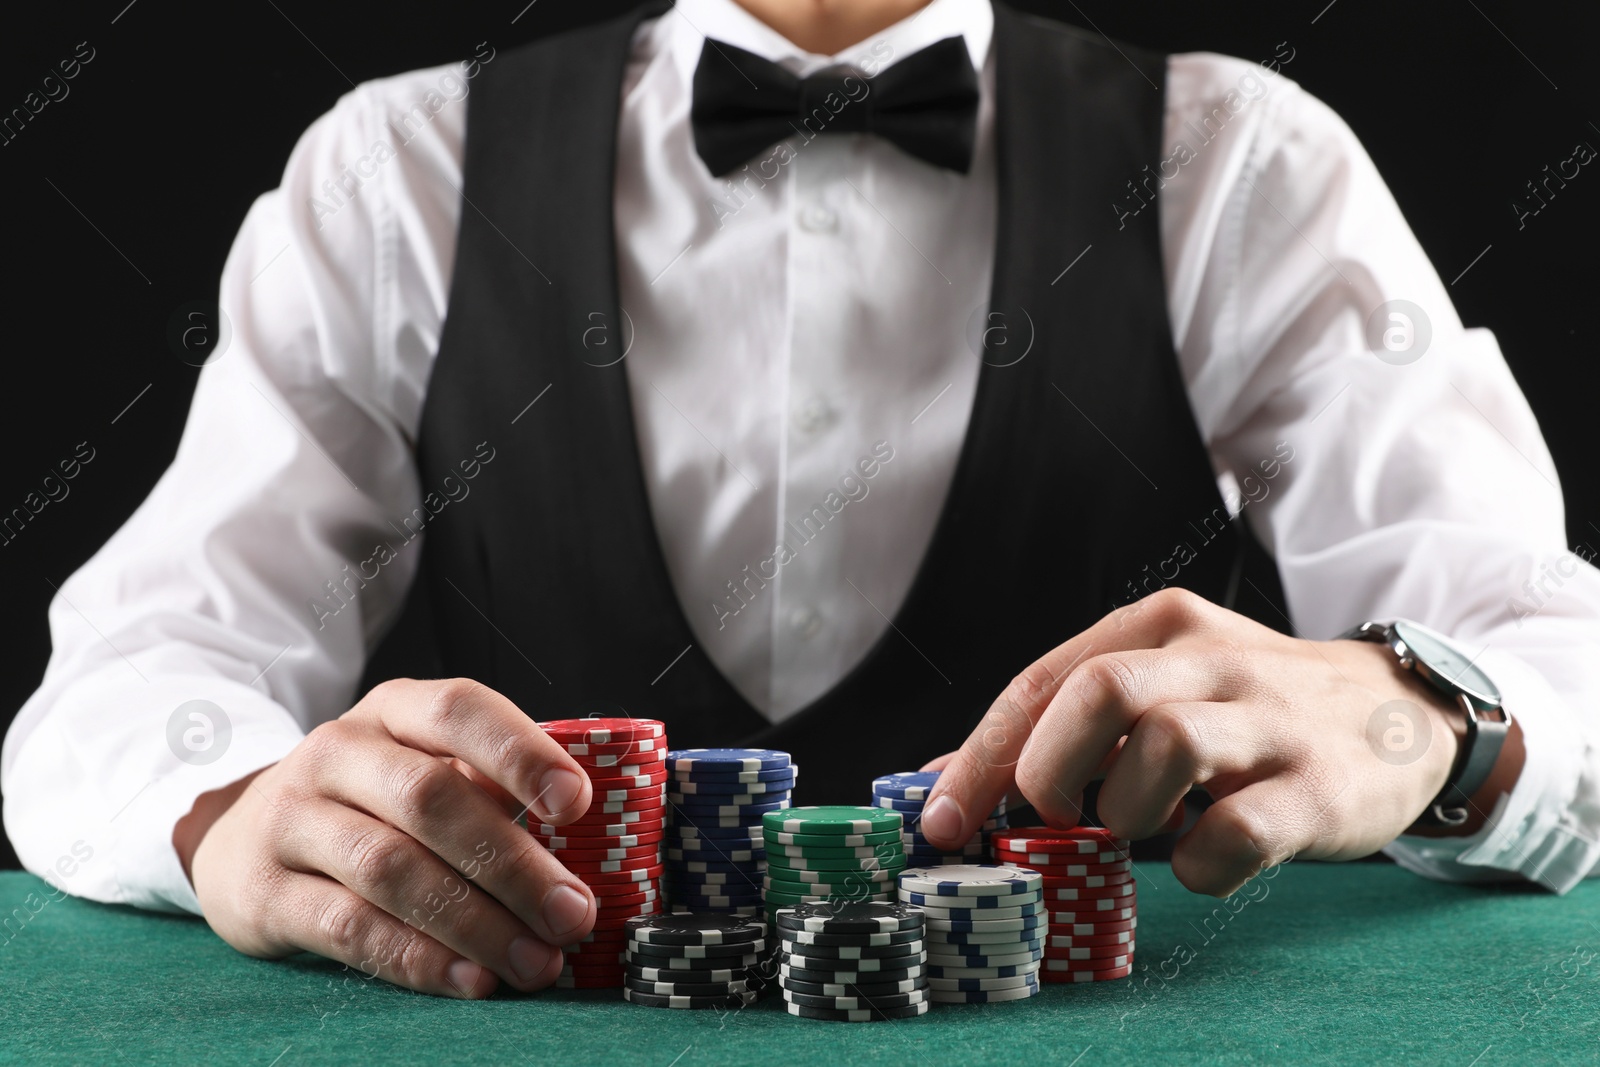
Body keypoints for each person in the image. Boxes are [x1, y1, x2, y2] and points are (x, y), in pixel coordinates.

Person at [5, 0, 1599, 1001]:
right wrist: (225, 811)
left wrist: (1426, 714)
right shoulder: (394, 175)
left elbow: (1549, 656)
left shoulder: (1241, 160)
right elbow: (133, 681)